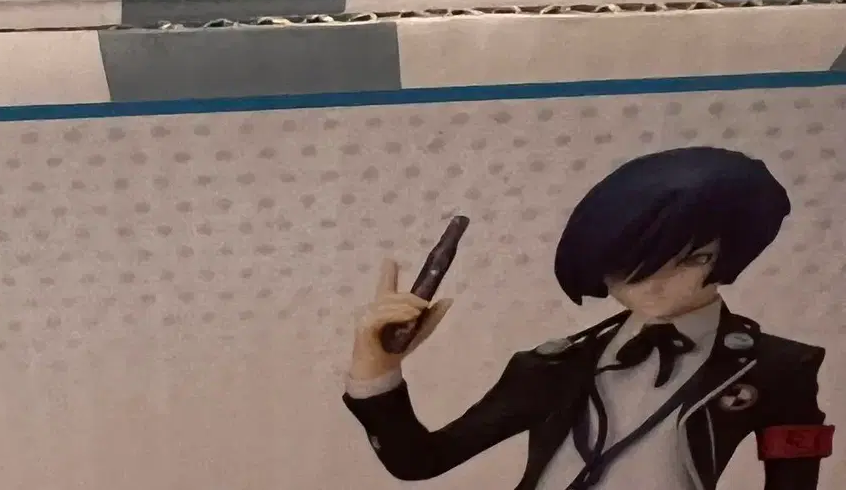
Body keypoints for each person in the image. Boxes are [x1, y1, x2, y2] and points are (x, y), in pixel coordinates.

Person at [342, 146, 834, 490]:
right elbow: (421, 461)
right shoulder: (549, 366)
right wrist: (376, 371)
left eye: (691, 259)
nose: (655, 284)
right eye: (630, 266)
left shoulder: (777, 368)